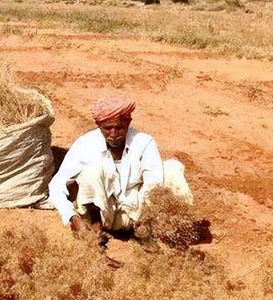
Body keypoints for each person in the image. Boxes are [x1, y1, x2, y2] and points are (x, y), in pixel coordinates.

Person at [48, 94, 193, 239]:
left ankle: (154, 230)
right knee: (91, 171)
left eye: (119, 127)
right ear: (99, 126)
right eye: (107, 128)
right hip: (103, 215)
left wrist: (146, 217)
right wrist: (73, 218)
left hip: (136, 214)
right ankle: (94, 228)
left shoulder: (144, 143)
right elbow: (56, 186)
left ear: (128, 122)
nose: (114, 134)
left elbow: (153, 183)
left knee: (172, 169)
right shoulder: (85, 145)